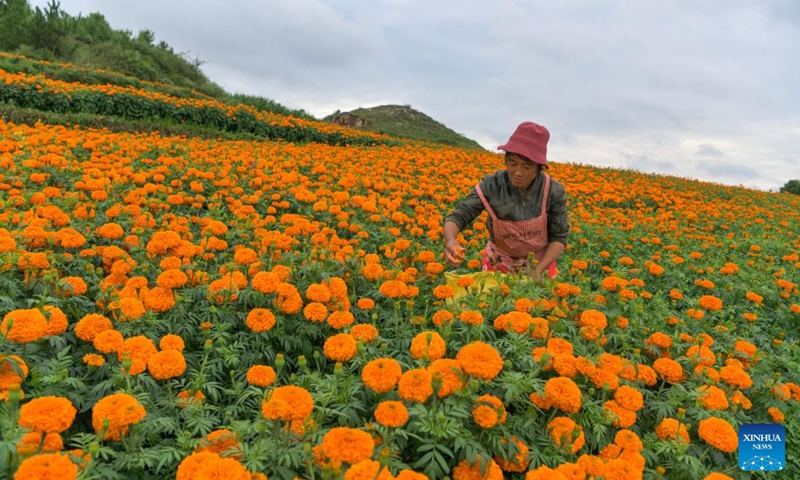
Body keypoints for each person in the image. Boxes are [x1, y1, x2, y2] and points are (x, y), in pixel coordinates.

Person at [443, 121, 569, 280]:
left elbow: (559, 238)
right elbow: (458, 217)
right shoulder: (492, 186)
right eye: (513, 163)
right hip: (498, 263)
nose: (518, 172)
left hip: (540, 264)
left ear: (539, 167)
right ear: (506, 160)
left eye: (527, 166)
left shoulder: (553, 191)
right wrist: (451, 240)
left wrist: (539, 269)